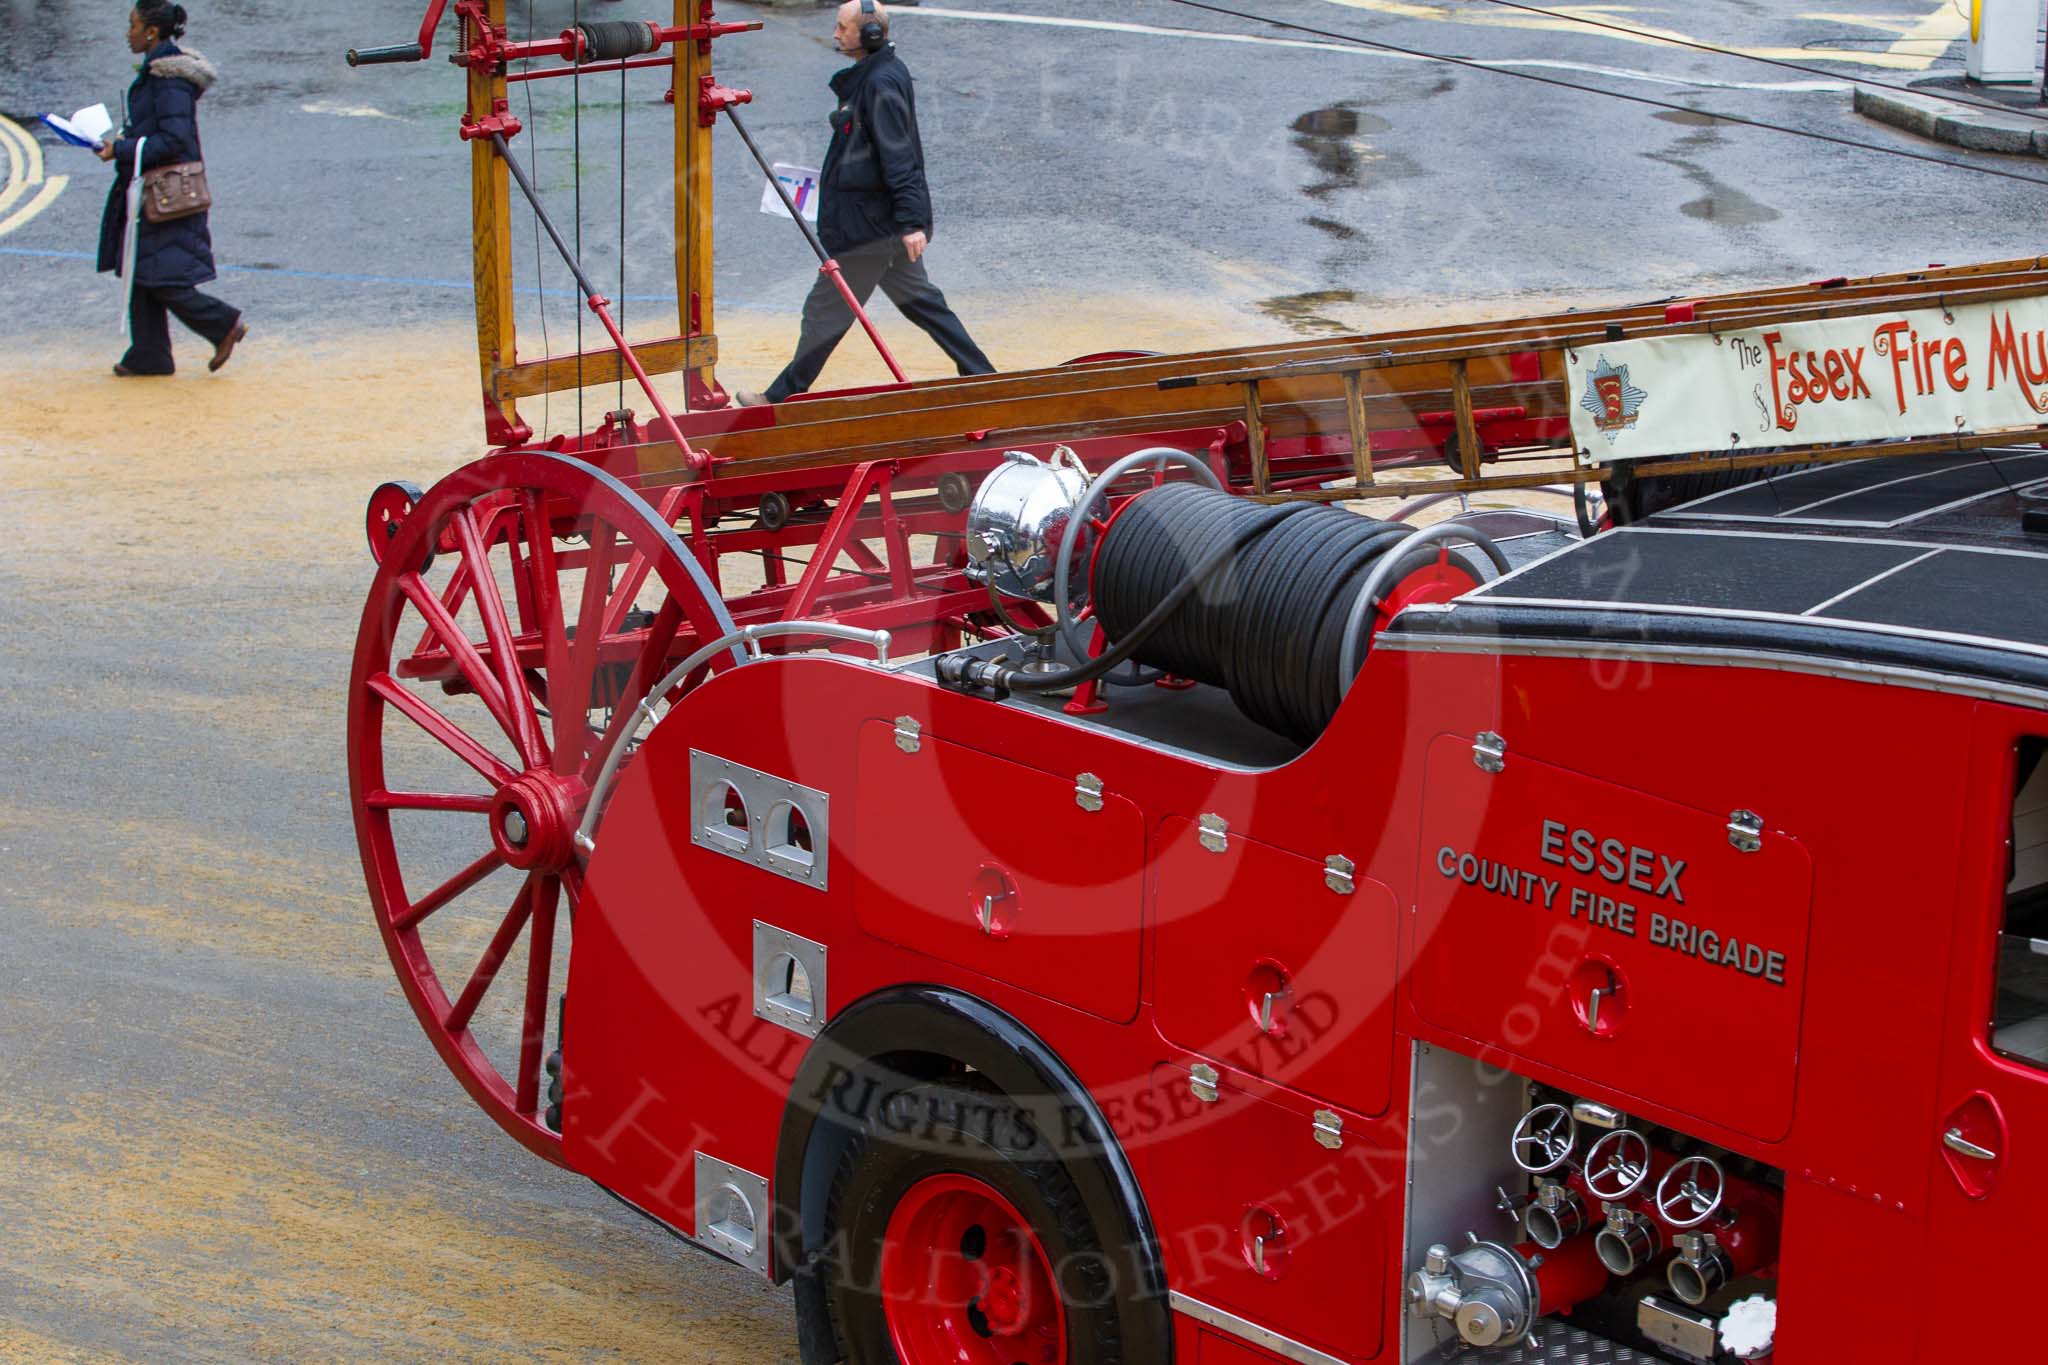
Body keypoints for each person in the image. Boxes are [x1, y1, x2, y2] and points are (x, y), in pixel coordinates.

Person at [737, 0, 991, 406]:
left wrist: (911, 223)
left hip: (869, 231)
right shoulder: (875, 77)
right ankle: (984, 377)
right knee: (923, 303)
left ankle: (778, 398)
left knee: (824, 312)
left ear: (870, 35)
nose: (836, 34)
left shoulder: (879, 84)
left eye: (843, 28)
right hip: (879, 226)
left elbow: (900, 155)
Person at [96, 2, 247, 377]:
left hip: (166, 193)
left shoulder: (167, 79)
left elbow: (174, 141)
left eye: (132, 25)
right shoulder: (158, 73)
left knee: (162, 277)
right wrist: (126, 140)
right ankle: (150, 355)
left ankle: (222, 323)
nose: (126, 32)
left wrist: (124, 148)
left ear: (151, 32)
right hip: (154, 190)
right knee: (142, 268)